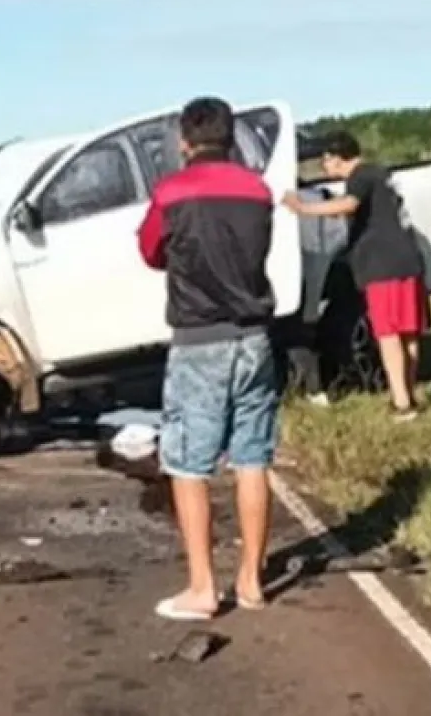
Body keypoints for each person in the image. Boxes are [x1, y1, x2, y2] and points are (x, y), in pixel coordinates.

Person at [137, 97, 278, 621]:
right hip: (255, 338)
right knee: (252, 458)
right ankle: (251, 580)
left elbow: (151, 251)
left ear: (184, 140)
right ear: (231, 136)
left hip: (200, 340)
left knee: (188, 465)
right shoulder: (256, 191)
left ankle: (201, 587)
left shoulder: (172, 193)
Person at [283, 131, 428, 420]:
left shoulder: (360, 176)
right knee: (409, 333)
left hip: (381, 263)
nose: (323, 166)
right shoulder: (380, 174)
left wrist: (303, 208)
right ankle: (409, 392)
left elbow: (349, 204)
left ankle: (401, 404)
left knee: (387, 334)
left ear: (336, 158)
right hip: (406, 259)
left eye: (325, 160)